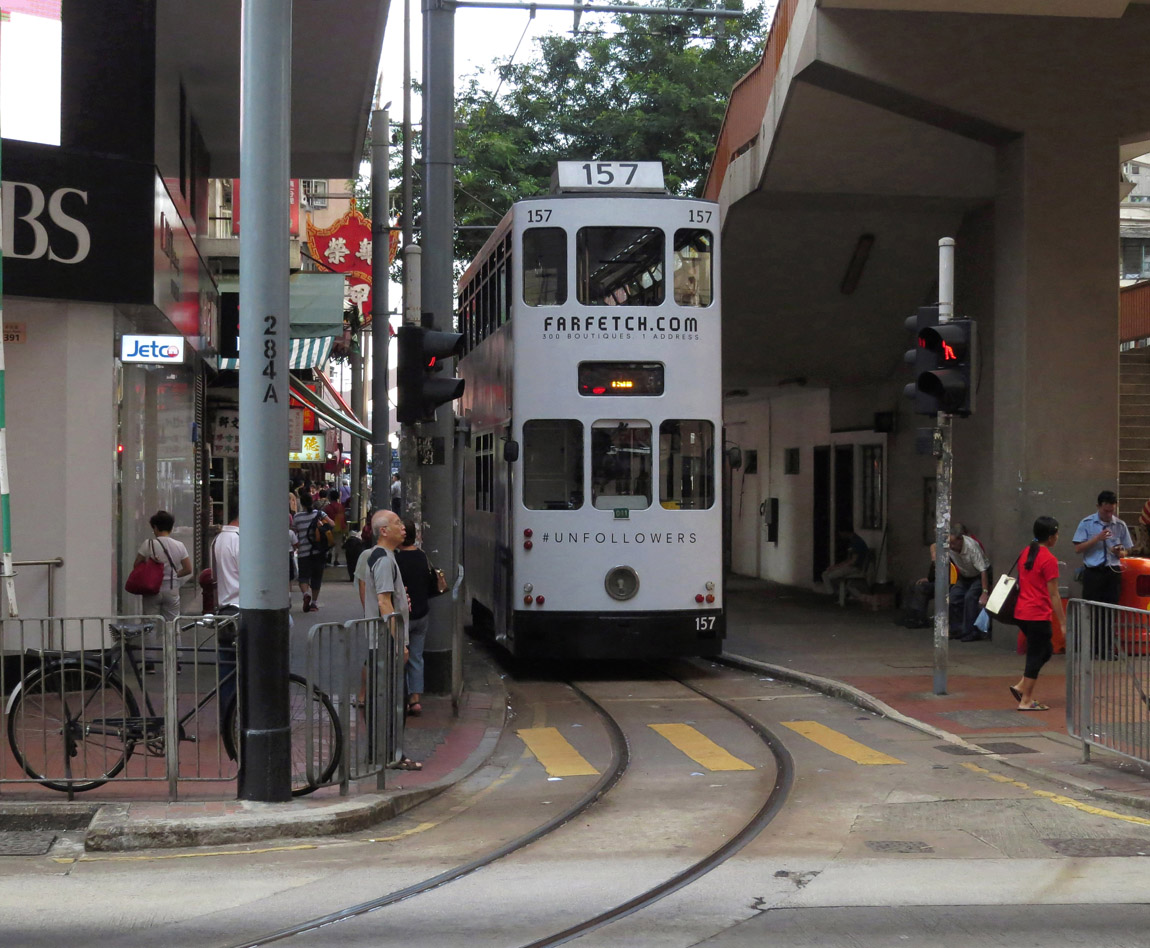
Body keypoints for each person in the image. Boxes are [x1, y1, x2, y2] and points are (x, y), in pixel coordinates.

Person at [354, 508, 421, 771]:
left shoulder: (383, 557)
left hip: (381, 640)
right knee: (393, 700)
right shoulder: (383, 559)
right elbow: (383, 601)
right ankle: (390, 755)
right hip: (385, 641)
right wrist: (399, 642)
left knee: (383, 698)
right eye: (396, 523)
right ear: (384, 531)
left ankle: (380, 754)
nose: (403, 527)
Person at [1010, 516, 1066, 711]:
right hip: (1038, 613)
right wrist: (1063, 622)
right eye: (1057, 534)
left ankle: (1021, 686)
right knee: (1036, 654)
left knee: (1045, 651)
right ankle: (1026, 700)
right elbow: (1054, 594)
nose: (1058, 537)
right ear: (1050, 537)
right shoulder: (1049, 559)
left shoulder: (1026, 552)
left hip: (1022, 612)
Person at [394, 519, 446, 717]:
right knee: (416, 656)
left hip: (403, 616)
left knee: (401, 657)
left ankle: (402, 698)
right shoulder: (422, 556)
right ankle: (416, 698)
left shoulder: (396, 560)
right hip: (423, 613)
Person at [1073, 489, 1131, 605]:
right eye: (1105, 511)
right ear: (1098, 507)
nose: (1109, 514)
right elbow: (1078, 549)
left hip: (1112, 572)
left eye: (1111, 511)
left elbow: (1127, 550)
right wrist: (1096, 539)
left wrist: (1119, 553)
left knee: (1111, 608)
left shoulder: (1120, 525)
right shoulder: (1086, 523)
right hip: (1093, 572)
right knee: (1092, 608)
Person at [134, 510, 192, 622]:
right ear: (171, 527)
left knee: (150, 625)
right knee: (172, 623)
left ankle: (151, 639)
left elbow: (136, 565)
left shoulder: (148, 544)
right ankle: (173, 640)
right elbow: (188, 569)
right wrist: (174, 574)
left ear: (155, 527)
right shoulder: (179, 545)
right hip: (171, 588)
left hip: (151, 589)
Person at [943, 523, 991, 641]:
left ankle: (971, 632)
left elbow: (983, 570)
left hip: (978, 575)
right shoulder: (949, 547)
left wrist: (984, 591)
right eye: (950, 543)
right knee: (953, 598)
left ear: (961, 539)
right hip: (964, 576)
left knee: (970, 597)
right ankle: (957, 629)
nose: (951, 546)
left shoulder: (972, 547)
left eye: (953, 543)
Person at [293, 490, 334, 613]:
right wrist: (321, 525)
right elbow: (332, 524)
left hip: (303, 552)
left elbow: (294, 533)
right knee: (317, 577)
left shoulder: (297, 517)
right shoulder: (319, 513)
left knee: (303, 577)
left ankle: (306, 594)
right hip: (318, 551)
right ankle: (314, 603)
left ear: (302, 504)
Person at [821, 528, 869, 600]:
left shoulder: (857, 542)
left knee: (830, 575)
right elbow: (848, 560)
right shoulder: (852, 542)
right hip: (851, 566)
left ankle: (838, 594)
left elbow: (853, 561)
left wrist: (836, 568)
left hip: (855, 567)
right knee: (825, 574)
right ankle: (836, 593)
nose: (840, 535)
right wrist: (835, 566)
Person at [324, 489, 346, 567]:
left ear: (330, 497)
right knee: (338, 543)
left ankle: (329, 555)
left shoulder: (327, 507)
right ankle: (336, 560)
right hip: (339, 527)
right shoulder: (341, 506)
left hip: (329, 527)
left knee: (329, 542)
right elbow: (343, 517)